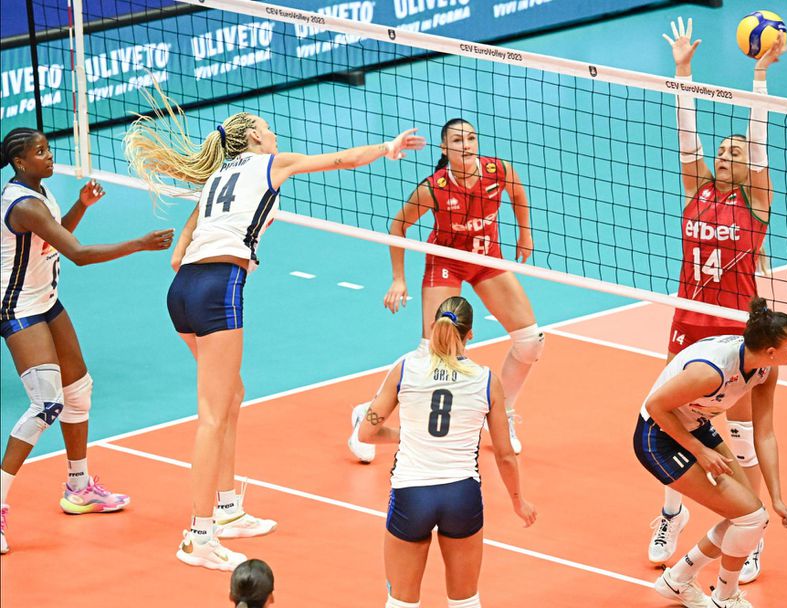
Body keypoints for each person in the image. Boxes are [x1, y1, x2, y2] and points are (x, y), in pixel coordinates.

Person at [124, 85, 426, 570]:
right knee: (212, 416)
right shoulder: (270, 164)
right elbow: (342, 160)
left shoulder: (218, 176)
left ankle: (226, 509)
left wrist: (194, 257)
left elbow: (185, 239)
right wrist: (387, 148)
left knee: (231, 396)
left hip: (182, 291)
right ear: (253, 139)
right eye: (266, 127)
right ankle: (198, 537)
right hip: (218, 290)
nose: (273, 132)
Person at [647, 18, 787, 585]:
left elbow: (760, 143)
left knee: (739, 435)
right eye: (724, 150)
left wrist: (759, 79)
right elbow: (688, 139)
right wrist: (683, 74)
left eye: (738, 150)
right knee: (670, 420)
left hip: (737, 329)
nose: (729, 154)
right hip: (688, 321)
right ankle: (672, 513)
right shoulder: (698, 190)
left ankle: (749, 533)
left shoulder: (756, 202)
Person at [0, 127, 174, 554]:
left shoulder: (38, 191)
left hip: (46, 300)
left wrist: (80, 205)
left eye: (47, 148)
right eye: (40, 152)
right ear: (20, 162)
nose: (49, 155)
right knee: (47, 405)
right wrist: (138, 244)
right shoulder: (23, 204)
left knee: (78, 391)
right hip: (19, 309)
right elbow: (77, 255)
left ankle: (78, 489)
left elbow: (53, 238)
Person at [348, 118, 543, 463]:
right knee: (430, 353)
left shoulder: (498, 171)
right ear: (444, 148)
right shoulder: (433, 188)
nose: (466, 145)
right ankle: (367, 414)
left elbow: (518, 193)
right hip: (446, 264)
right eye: (457, 140)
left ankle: (503, 415)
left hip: (486, 260)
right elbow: (398, 226)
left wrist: (524, 233)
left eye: (471, 138)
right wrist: (398, 278)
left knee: (530, 342)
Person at [358, 296, 536, 608]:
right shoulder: (486, 380)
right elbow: (505, 455)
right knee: (466, 601)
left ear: (433, 327)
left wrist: (407, 436)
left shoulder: (406, 369)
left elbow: (366, 433)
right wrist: (518, 501)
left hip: (412, 495)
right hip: (461, 496)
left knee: (401, 602)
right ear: (470, 334)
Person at [634, 297, 787, 608]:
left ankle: (678, 579)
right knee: (749, 517)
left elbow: (765, 434)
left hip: (694, 425)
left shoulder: (765, 369)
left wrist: (777, 497)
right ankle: (725, 597)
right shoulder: (712, 371)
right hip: (658, 437)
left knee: (753, 514)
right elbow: (655, 407)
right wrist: (700, 451)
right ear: (771, 350)